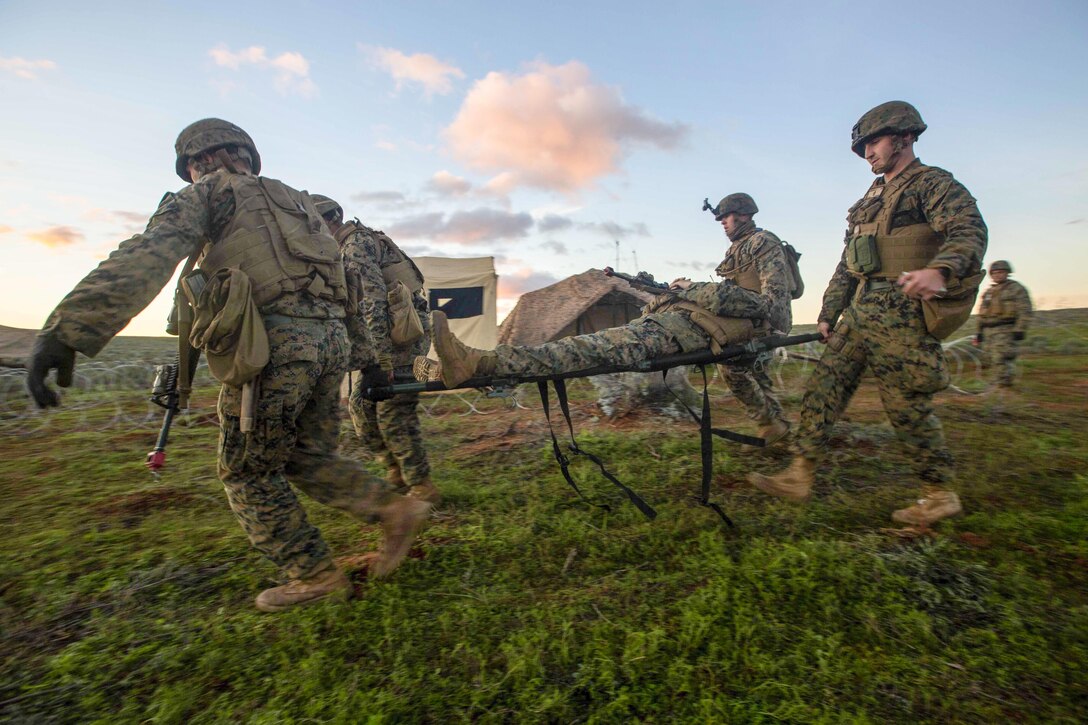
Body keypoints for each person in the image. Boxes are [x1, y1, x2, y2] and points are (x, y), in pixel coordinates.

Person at [26, 118, 430, 612]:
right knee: (306, 454)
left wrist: (67, 329)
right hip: (328, 347)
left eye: (195, 166)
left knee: (246, 471)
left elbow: (149, 255)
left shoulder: (210, 194)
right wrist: (363, 359)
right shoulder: (301, 202)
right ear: (246, 154)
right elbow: (343, 282)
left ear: (199, 162)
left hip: (272, 347)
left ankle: (314, 574)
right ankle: (395, 510)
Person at [747, 101, 987, 527]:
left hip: (903, 313)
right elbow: (848, 262)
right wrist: (829, 311)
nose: (868, 153)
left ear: (904, 137)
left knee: (905, 404)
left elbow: (969, 230)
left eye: (873, 142)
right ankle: (799, 474)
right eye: (862, 147)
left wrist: (940, 269)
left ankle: (939, 492)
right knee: (825, 386)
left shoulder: (930, 185)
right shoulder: (869, 201)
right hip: (860, 310)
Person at [312, 195, 439, 504]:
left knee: (394, 408)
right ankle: (395, 471)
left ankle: (421, 486)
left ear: (327, 222)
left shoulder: (355, 246)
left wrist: (379, 360)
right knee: (360, 407)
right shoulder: (350, 245)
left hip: (401, 338)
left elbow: (371, 304)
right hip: (389, 336)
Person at [710, 193, 798, 446]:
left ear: (744, 215)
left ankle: (769, 425)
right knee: (757, 376)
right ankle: (777, 431)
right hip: (749, 321)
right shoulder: (736, 248)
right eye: (721, 219)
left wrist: (771, 330)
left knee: (731, 366)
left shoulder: (763, 242)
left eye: (726, 217)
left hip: (766, 322)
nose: (723, 223)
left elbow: (776, 294)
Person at [975, 260, 1032, 388]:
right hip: (989, 329)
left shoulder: (1016, 289)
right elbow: (981, 312)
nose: (997, 275)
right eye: (994, 273)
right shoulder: (989, 292)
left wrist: (1020, 329)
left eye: (1001, 272)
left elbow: (1025, 310)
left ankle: (1003, 386)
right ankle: (997, 384)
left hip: (1006, 328)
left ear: (1007, 273)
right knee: (989, 358)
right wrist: (979, 332)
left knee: (1001, 357)